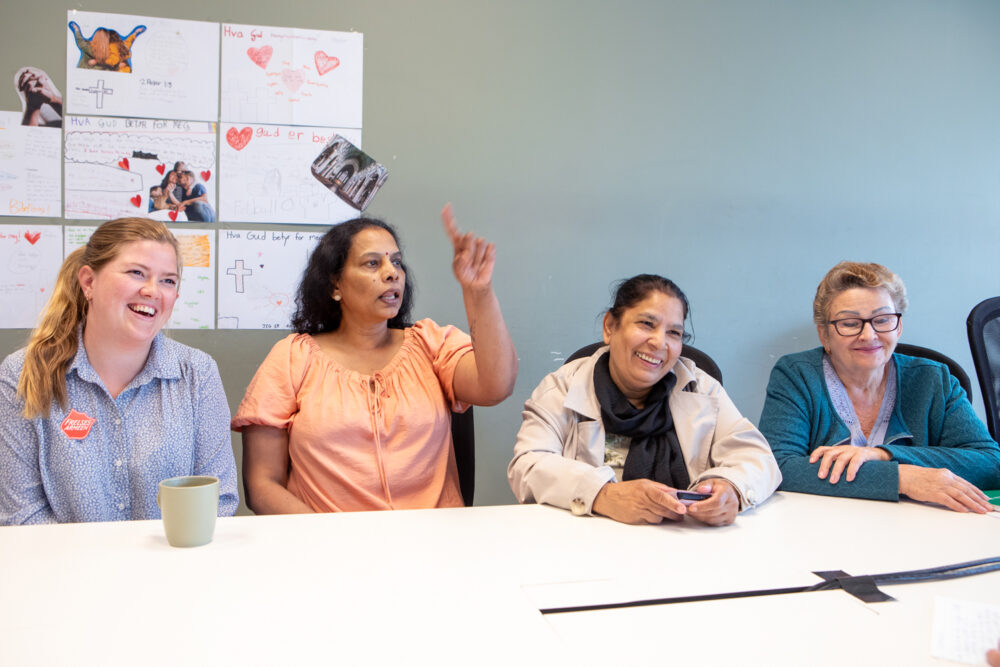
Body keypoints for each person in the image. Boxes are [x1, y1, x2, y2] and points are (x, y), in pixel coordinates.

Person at [232, 205, 517, 513]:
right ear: (335, 285)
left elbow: (497, 385)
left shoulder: (430, 342)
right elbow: (262, 485)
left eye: (396, 262)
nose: (392, 272)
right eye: (372, 263)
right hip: (328, 549)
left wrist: (479, 291)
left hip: (432, 545)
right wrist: (328, 545)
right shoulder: (292, 357)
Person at [0, 217, 238, 524]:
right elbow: (22, 515)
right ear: (89, 282)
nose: (153, 291)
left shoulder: (198, 373)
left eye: (168, 280)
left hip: (174, 567)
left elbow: (218, 501)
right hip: (63, 569)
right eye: (137, 273)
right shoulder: (22, 375)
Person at [508, 274, 781, 525]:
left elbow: (758, 458)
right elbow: (528, 465)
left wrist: (730, 487)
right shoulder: (562, 387)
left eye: (674, 333)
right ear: (610, 327)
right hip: (590, 547)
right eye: (646, 324)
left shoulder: (701, 388)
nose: (659, 342)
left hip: (686, 548)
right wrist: (604, 494)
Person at [759, 261, 1000, 512]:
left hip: (921, 531)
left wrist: (885, 455)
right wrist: (903, 478)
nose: (868, 335)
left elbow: (992, 464)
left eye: (883, 320)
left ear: (899, 327)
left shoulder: (934, 379)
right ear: (824, 334)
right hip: (825, 530)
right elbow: (777, 466)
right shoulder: (797, 374)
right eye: (850, 323)